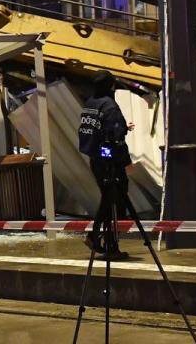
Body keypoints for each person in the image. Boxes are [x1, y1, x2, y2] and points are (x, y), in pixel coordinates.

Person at [77, 70, 134, 261]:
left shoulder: (90, 103)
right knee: (114, 200)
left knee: (107, 199)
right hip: (110, 162)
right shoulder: (110, 106)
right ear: (111, 86)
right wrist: (125, 161)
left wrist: (122, 127)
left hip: (96, 160)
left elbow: (99, 131)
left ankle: (98, 238)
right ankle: (105, 242)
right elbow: (115, 140)